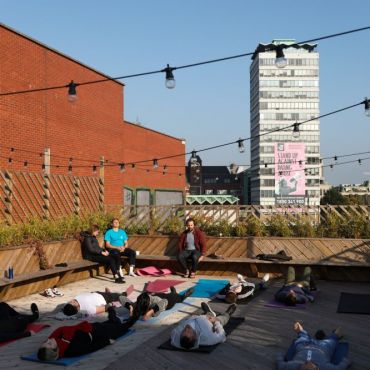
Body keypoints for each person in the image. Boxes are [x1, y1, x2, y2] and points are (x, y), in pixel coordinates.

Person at [37, 307, 136, 360]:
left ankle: (111, 312)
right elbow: (89, 348)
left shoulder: (56, 339)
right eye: (49, 343)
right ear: (55, 350)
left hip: (91, 327)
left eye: (45, 342)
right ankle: (122, 314)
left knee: (113, 323)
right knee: (123, 327)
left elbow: (61, 328)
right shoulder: (71, 350)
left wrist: (50, 341)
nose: (49, 340)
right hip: (99, 334)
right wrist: (106, 342)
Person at [276, 321, 351, 370]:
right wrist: (346, 361)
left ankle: (302, 332)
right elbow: (341, 367)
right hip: (323, 347)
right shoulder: (324, 367)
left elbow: (280, 364)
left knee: (301, 335)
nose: (306, 367)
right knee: (334, 338)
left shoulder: (292, 366)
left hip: (303, 346)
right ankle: (332, 335)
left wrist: (281, 355)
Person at [170, 302, 237, 349]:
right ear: (194, 337)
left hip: (199, 317)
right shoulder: (210, 339)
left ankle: (209, 312)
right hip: (211, 322)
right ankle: (228, 313)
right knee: (222, 319)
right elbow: (222, 335)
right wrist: (216, 322)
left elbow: (181, 325)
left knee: (207, 314)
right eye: (188, 332)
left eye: (183, 331)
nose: (186, 329)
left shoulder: (177, 333)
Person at [128, 286, 194, 320]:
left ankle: (182, 296)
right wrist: (130, 307)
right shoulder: (139, 303)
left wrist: (151, 311)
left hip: (166, 301)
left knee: (173, 297)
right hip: (157, 299)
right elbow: (122, 298)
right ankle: (173, 293)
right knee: (166, 295)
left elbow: (164, 301)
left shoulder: (154, 303)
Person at [62, 288, 127, 316]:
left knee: (112, 295)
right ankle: (122, 295)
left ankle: (110, 293)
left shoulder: (75, 299)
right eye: (72, 302)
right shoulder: (88, 310)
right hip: (105, 298)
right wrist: (112, 304)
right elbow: (104, 308)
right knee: (121, 297)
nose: (71, 301)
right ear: (76, 307)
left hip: (96, 293)